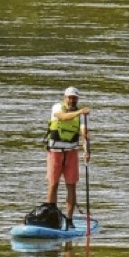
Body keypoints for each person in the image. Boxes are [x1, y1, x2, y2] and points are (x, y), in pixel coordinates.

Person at [46, 87, 91, 229]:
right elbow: (63, 117)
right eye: (69, 97)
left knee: (71, 185)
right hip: (55, 151)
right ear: (65, 97)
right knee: (53, 184)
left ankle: (69, 219)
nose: (72, 100)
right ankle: (51, 216)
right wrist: (80, 111)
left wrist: (86, 150)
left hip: (71, 152)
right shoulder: (57, 107)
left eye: (74, 98)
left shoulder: (80, 116)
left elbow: (84, 133)